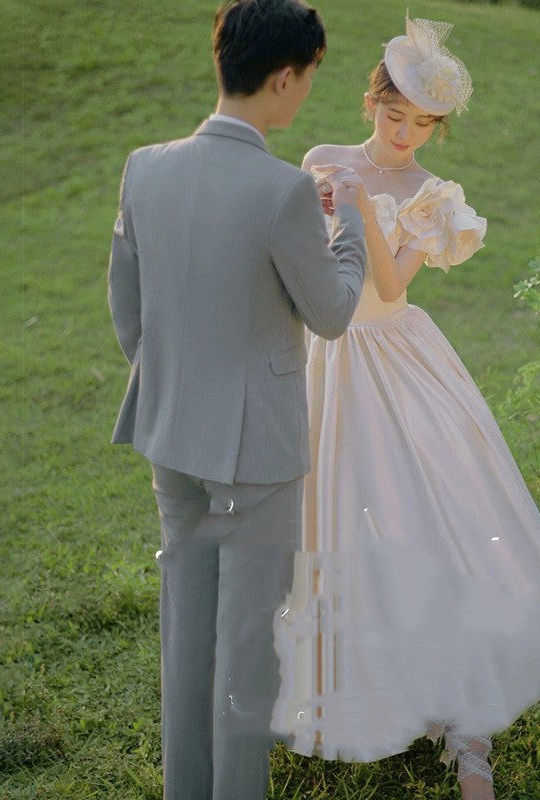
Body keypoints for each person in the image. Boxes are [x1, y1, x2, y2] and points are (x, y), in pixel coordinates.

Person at [270, 16, 540, 800]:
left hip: (394, 356)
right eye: (396, 116)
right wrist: (316, 200)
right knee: (325, 514)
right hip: (324, 353)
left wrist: (362, 209)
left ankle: (467, 727)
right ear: (372, 103)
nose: (406, 135)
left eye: (424, 124)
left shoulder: (432, 196)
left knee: (415, 513)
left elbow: (391, 287)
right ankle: (350, 687)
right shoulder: (320, 160)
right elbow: (296, 260)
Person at [107, 1, 367, 798]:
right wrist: (349, 223)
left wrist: (182, 377)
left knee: (187, 637)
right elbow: (331, 311)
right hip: (256, 458)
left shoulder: (144, 166)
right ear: (284, 77)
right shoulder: (284, 190)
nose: (307, 94)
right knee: (246, 655)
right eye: (311, 77)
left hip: (170, 437)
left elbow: (127, 307)